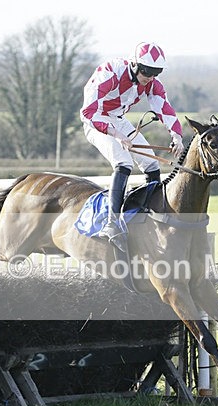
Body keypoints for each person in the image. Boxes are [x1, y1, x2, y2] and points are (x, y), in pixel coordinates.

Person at [80, 41, 184, 250]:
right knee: (123, 162)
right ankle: (112, 223)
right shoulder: (110, 72)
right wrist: (116, 134)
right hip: (97, 121)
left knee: (152, 165)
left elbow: (164, 108)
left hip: (118, 119)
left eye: (156, 73)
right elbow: (88, 112)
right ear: (136, 65)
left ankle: (149, 216)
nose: (151, 78)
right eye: (147, 72)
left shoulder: (151, 82)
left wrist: (177, 136)